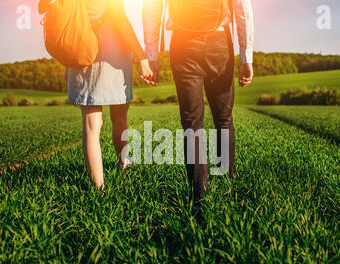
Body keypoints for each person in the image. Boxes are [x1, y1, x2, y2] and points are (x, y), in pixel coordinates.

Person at [143, 0, 255, 209]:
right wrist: (246, 56)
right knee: (223, 119)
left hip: (183, 45)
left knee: (192, 123)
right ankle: (226, 186)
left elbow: (152, 8)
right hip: (219, 41)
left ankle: (199, 197)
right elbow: (243, 9)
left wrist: (151, 54)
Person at [67, 0, 155, 193]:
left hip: (79, 49)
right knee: (119, 115)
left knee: (91, 126)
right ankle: (123, 163)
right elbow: (119, 19)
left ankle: (99, 189)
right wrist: (141, 56)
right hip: (112, 52)